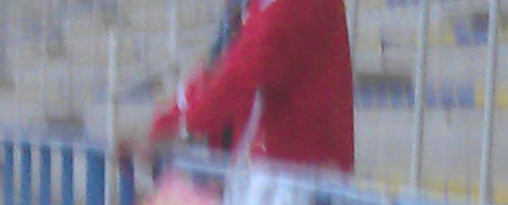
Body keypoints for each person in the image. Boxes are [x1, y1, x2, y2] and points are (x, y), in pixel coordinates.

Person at [141, 0, 356, 173]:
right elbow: (226, 73)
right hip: (281, 163)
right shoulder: (259, 10)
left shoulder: (285, 8)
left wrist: (180, 128)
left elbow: (242, 72)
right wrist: (173, 124)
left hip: (294, 169)